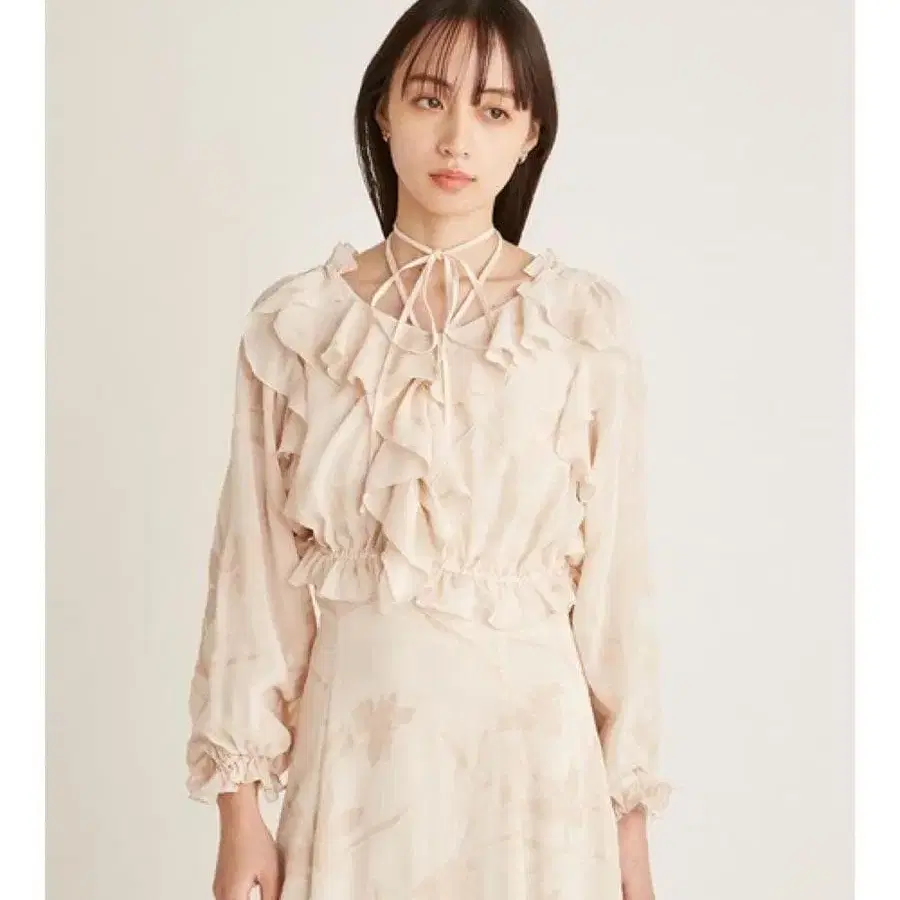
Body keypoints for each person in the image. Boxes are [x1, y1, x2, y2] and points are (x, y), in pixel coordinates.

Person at [185, 1, 673, 898]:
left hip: (538, 783)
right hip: (358, 773)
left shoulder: (582, 328)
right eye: (429, 98)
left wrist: (630, 834)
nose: (457, 139)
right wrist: (240, 810)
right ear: (383, 110)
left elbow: (616, 591)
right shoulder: (298, 327)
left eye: (493, 110)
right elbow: (250, 577)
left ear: (530, 133)